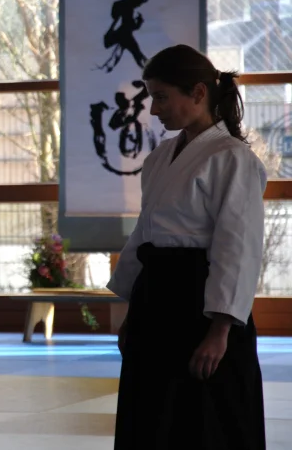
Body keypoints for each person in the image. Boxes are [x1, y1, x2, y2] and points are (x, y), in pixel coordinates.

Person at [107, 44, 267, 449]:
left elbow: (238, 245)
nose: (154, 109)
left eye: (161, 97)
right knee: (151, 416)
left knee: (205, 421)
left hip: (201, 300)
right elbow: (146, 231)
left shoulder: (232, 158)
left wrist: (221, 329)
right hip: (156, 295)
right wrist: (131, 312)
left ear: (197, 93)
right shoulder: (162, 156)